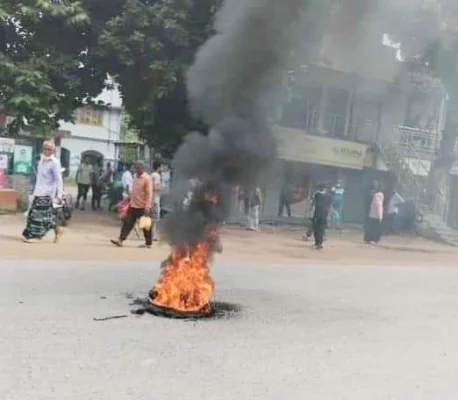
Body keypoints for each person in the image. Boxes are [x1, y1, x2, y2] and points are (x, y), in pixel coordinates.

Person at [22, 141, 63, 243]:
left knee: (39, 216)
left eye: (49, 149)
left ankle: (36, 236)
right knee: (36, 214)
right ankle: (58, 229)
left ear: (53, 151)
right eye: (45, 149)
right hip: (38, 191)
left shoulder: (54, 162)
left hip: (47, 193)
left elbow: (58, 179)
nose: (47, 151)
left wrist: (59, 194)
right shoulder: (41, 160)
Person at [111, 161, 153, 248]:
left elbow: (149, 193)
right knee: (127, 223)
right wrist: (124, 202)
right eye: (135, 168)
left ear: (142, 168)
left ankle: (148, 243)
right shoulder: (135, 177)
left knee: (145, 226)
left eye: (137, 168)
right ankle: (120, 240)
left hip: (143, 206)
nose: (135, 169)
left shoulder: (147, 178)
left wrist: (147, 206)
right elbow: (133, 192)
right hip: (133, 205)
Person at [312, 184, 331, 249]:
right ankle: (319, 243)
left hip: (317, 214)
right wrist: (328, 215)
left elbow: (313, 203)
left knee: (316, 229)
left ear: (319, 188)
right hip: (324, 214)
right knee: (321, 229)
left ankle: (317, 242)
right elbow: (329, 206)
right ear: (325, 188)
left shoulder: (317, 194)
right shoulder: (329, 195)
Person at [150, 161, 162, 241]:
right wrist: (161, 188)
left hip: (151, 199)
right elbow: (154, 187)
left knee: (152, 218)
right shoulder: (157, 175)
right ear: (158, 167)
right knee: (155, 218)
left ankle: (152, 235)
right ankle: (152, 236)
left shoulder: (151, 175)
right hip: (155, 199)